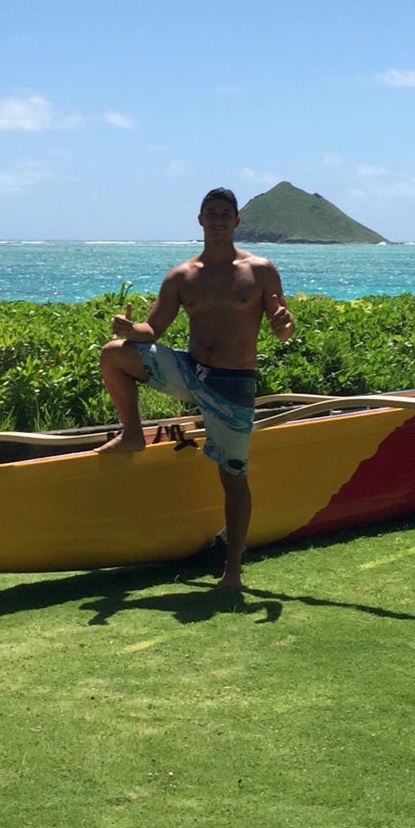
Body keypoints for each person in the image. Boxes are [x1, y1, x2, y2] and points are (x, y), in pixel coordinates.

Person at [98, 187, 295, 588]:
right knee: (114, 353)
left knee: (233, 477)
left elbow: (282, 325)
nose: (219, 219)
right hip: (191, 370)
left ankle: (233, 571)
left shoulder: (260, 270)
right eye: (212, 212)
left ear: (237, 221)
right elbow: (153, 329)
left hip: (232, 383)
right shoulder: (182, 275)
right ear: (200, 219)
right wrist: (129, 329)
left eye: (226, 213)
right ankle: (132, 434)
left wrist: (284, 325)